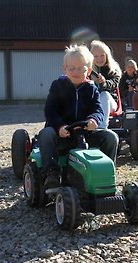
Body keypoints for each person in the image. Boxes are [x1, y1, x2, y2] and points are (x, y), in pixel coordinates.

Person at [38, 44, 119, 190]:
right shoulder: (58, 86)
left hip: (84, 133)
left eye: (81, 68)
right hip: (62, 134)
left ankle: (106, 173)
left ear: (88, 70)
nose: (76, 72)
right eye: (72, 68)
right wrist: (59, 126)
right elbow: (50, 110)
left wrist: (94, 120)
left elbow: (98, 109)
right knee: (45, 134)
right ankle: (51, 173)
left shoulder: (91, 88)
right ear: (65, 69)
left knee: (111, 137)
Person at [90, 40, 122, 128]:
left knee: (105, 94)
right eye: (95, 56)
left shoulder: (114, 70)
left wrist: (104, 82)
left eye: (102, 55)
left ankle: (102, 127)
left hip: (110, 102)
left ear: (107, 55)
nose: (99, 59)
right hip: (92, 101)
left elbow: (114, 83)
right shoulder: (88, 71)